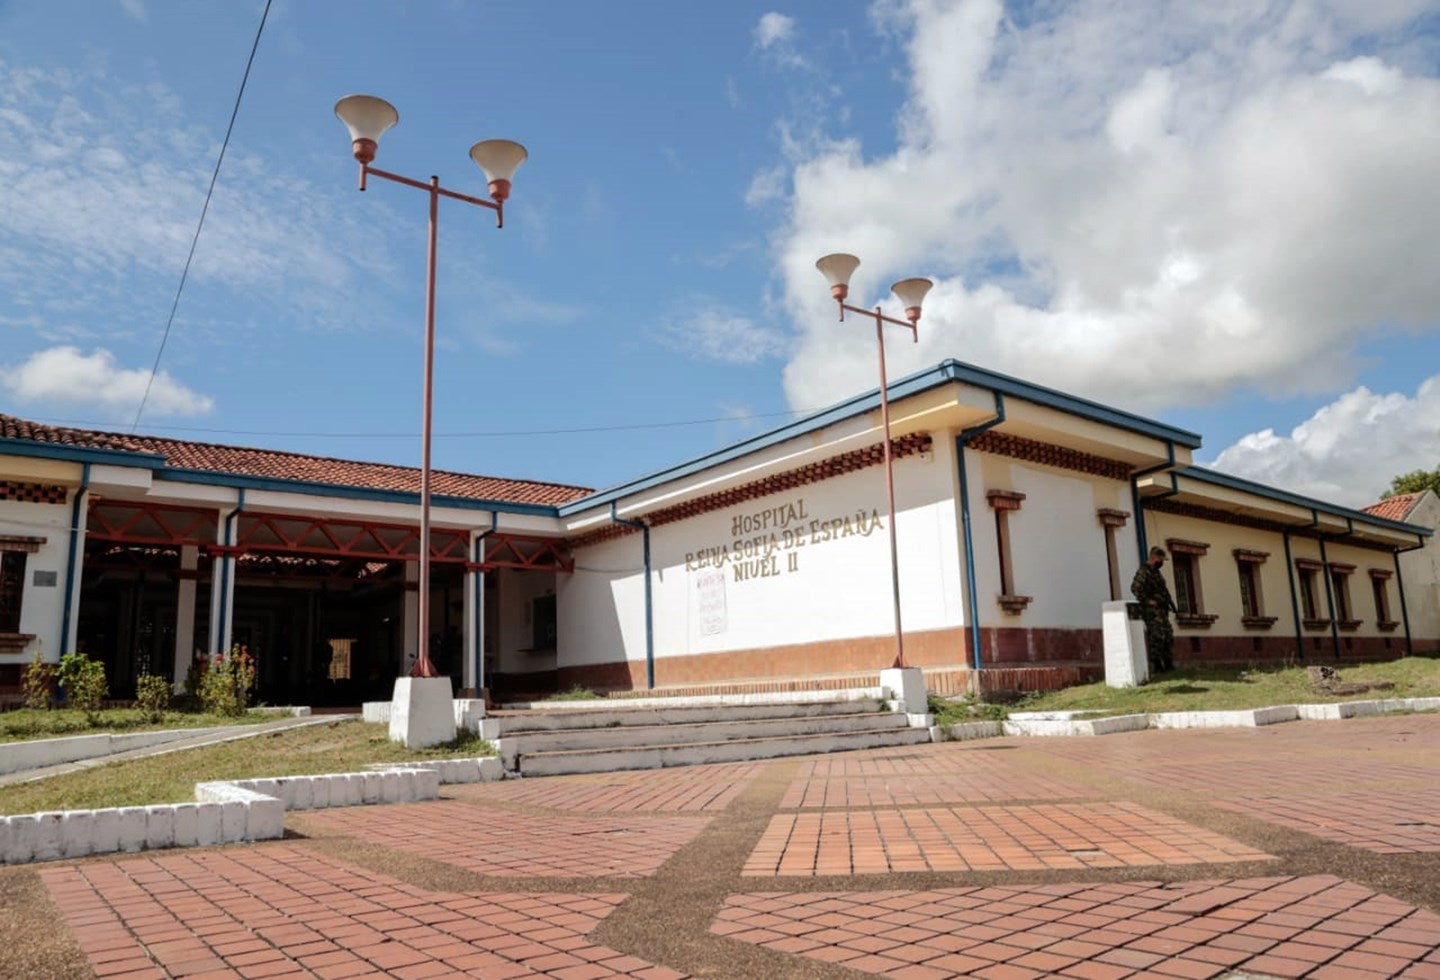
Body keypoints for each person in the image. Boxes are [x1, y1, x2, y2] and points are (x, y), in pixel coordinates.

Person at [1131, 545, 1177, 675]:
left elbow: (1163, 590)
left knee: (1167, 635)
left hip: (1162, 610)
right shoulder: (1143, 572)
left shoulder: (1156, 573)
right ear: (1154, 557)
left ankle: (1168, 663)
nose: (1161, 563)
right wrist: (1148, 601)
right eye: (1161, 559)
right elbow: (1135, 588)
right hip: (1152, 612)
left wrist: (1169, 602)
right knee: (1156, 637)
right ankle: (1157, 665)